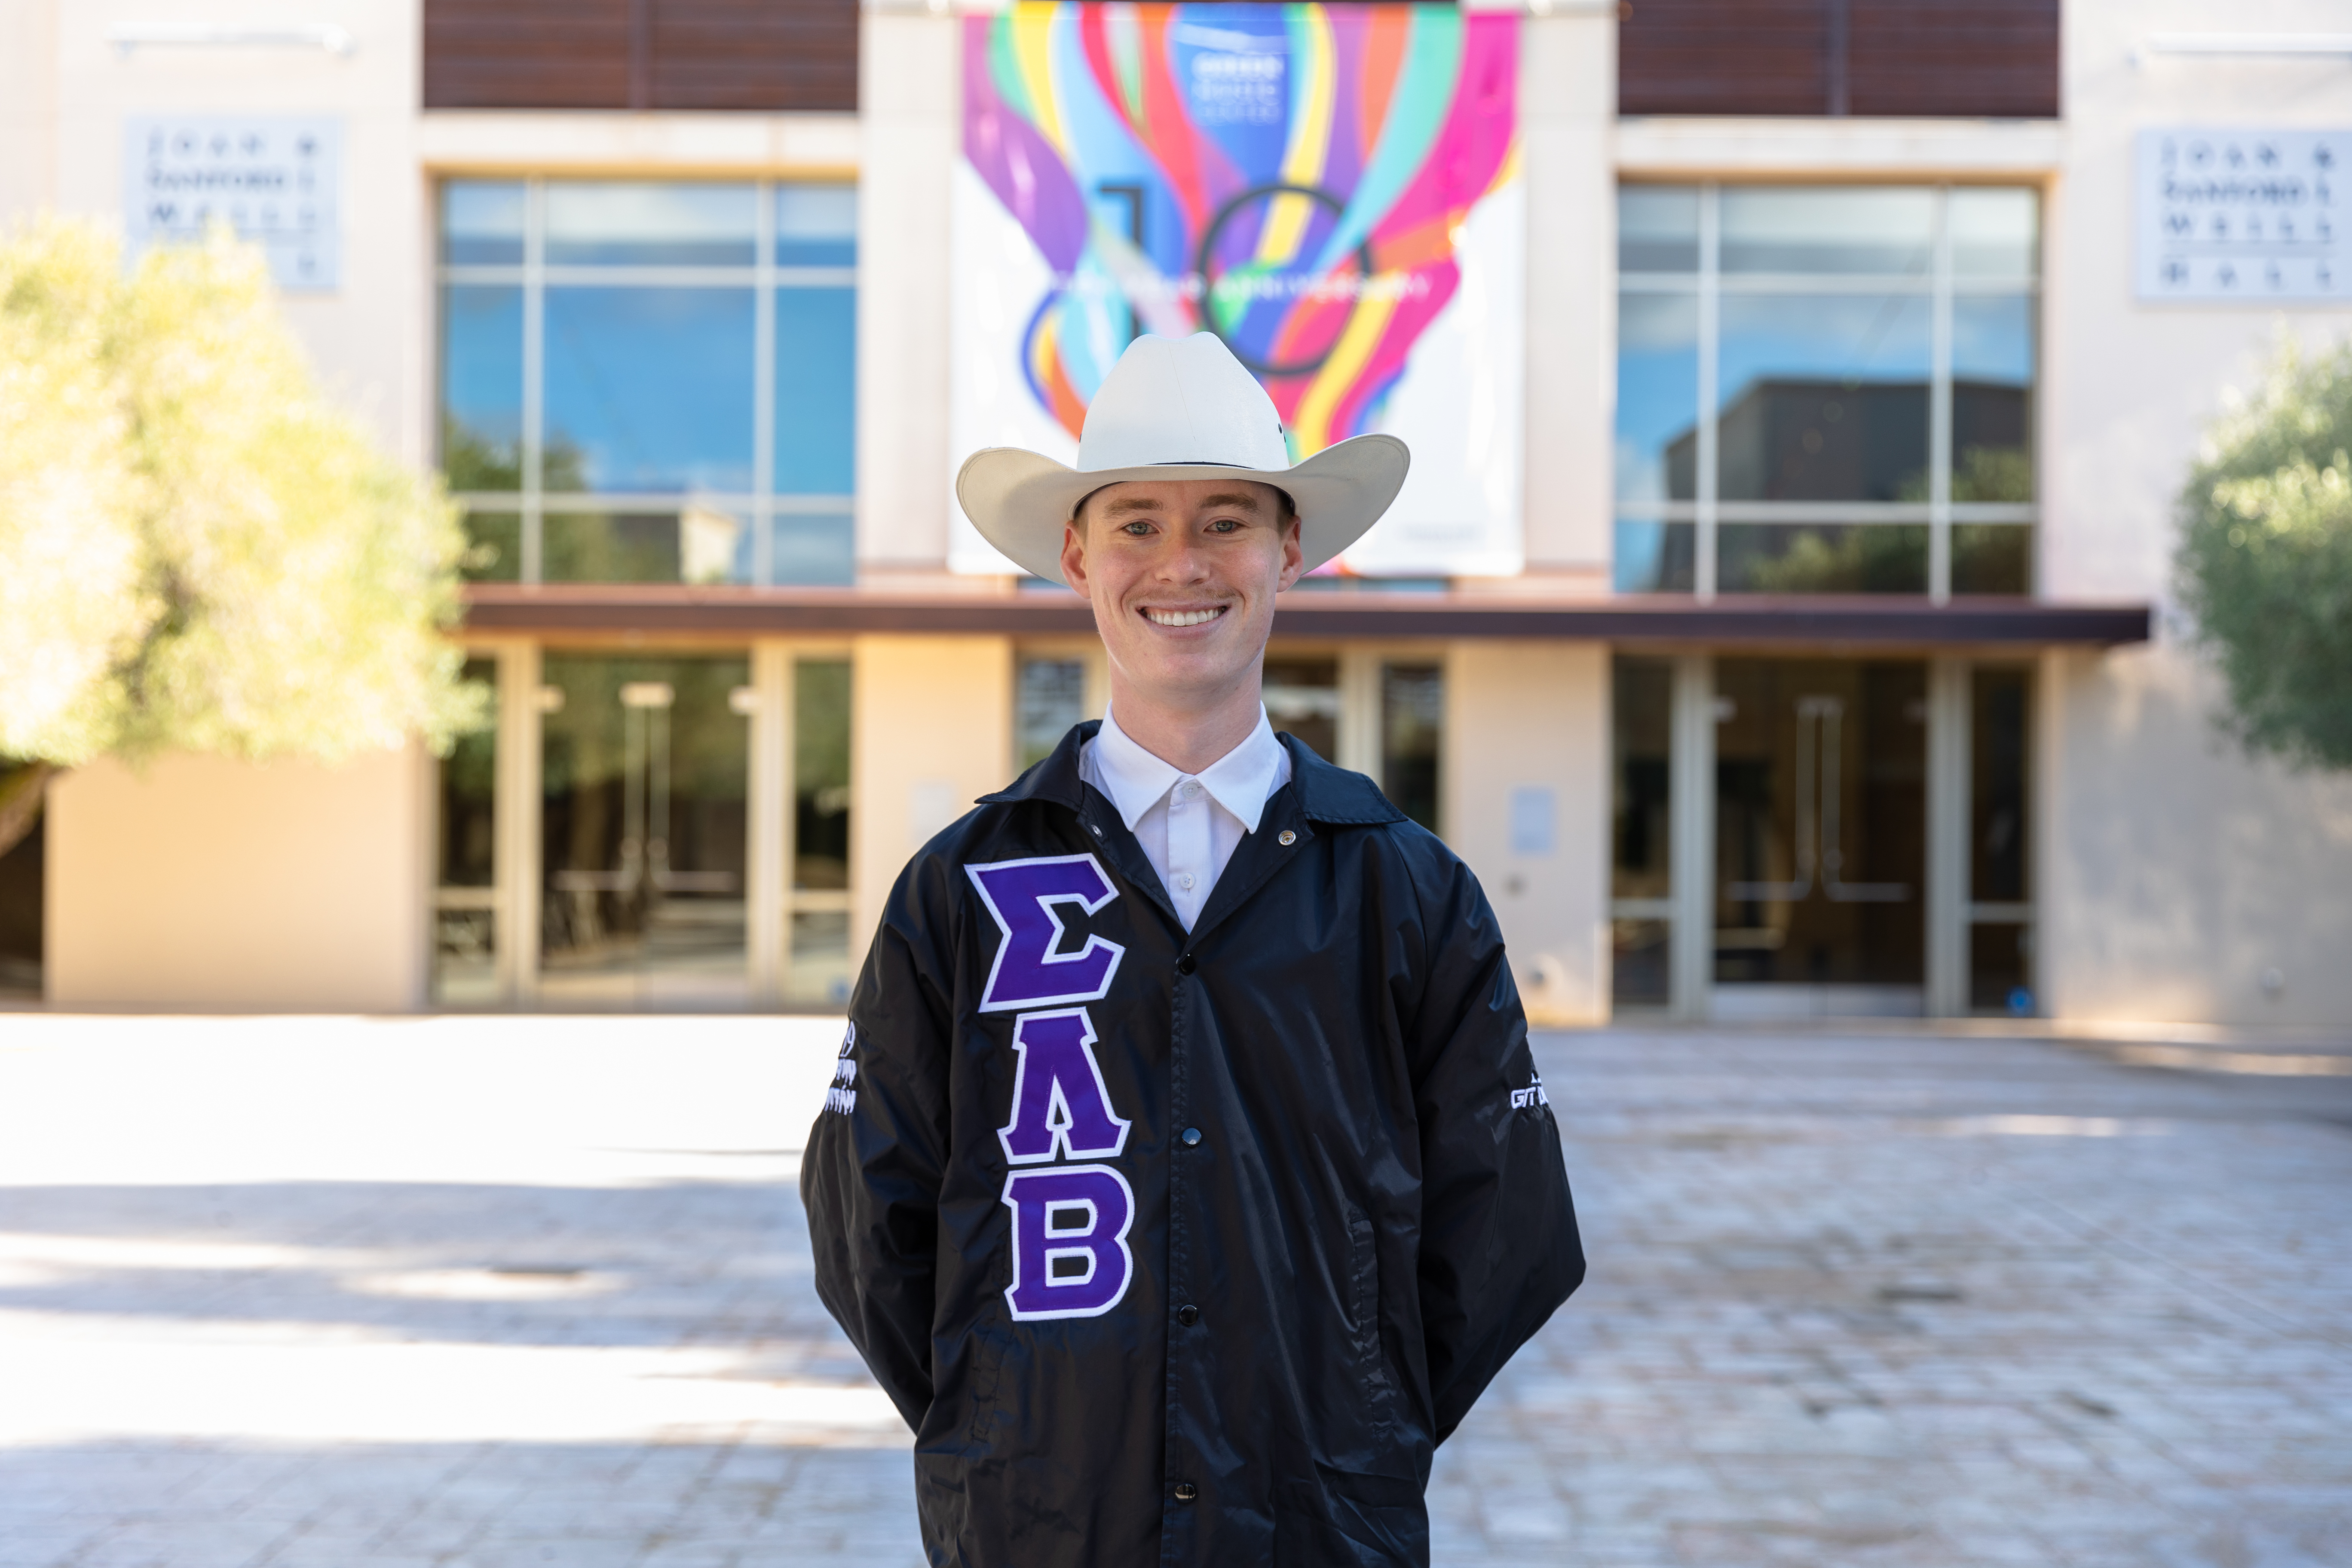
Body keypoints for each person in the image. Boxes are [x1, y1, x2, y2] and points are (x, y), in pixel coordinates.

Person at [801, 333, 1582, 1567]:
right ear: (1076, 554)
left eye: (1225, 522)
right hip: (1037, 1530)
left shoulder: (1406, 892)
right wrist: (1008, 1422)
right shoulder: (965, 890)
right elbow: (867, 1225)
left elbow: (1510, 1230)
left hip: (1319, 1529)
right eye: (1136, 525)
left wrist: (1357, 1420)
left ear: (1289, 554)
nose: (1181, 565)